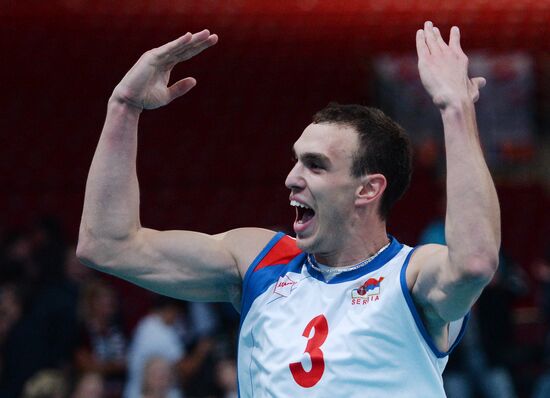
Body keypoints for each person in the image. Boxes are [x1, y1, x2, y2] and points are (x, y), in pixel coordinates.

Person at [77, 21, 500, 396]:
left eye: (315, 165)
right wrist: (124, 107)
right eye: (296, 159)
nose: (292, 178)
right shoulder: (259, 263)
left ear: (368, 190)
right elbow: (107, 245)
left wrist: (454, 108)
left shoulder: (410, 277)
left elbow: (475, 262)